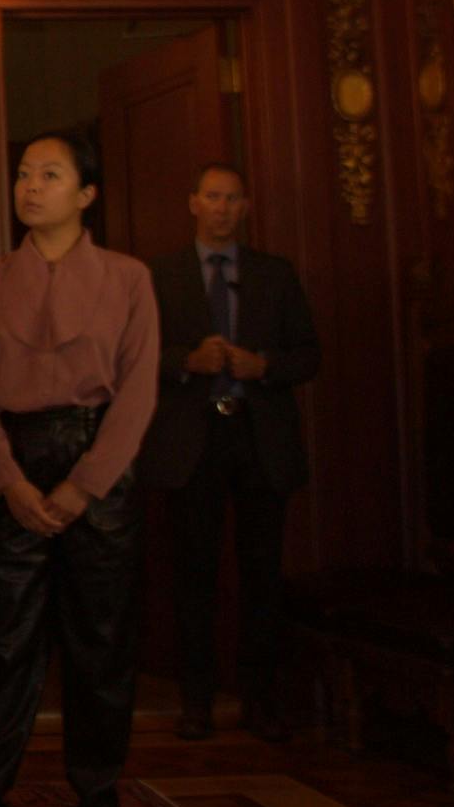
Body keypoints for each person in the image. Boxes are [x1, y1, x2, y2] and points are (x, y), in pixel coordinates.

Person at [0, 130, 158, 807]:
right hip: (14, 477)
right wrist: (9, 481)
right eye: (24, 174)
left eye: (51, 175)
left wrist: (84, 484)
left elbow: (138, 395)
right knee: (6, 652)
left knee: (99, 656)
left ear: (87, 193)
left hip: (101, 475)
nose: (30, 187)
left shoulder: (130, 279)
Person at [137, 163, 320, 744]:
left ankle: (259, 701)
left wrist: (263, 367)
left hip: (258, 438)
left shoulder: (274, 274)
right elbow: (135, 354)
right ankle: (196, 703)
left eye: (232, 199)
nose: (221, 208)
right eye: (212, 197)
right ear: (193, 203)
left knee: (262, 576)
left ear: (245, 207)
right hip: (192, 441)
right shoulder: (159, 275)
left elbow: (309, 354)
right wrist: (187, 360)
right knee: (194, 576)